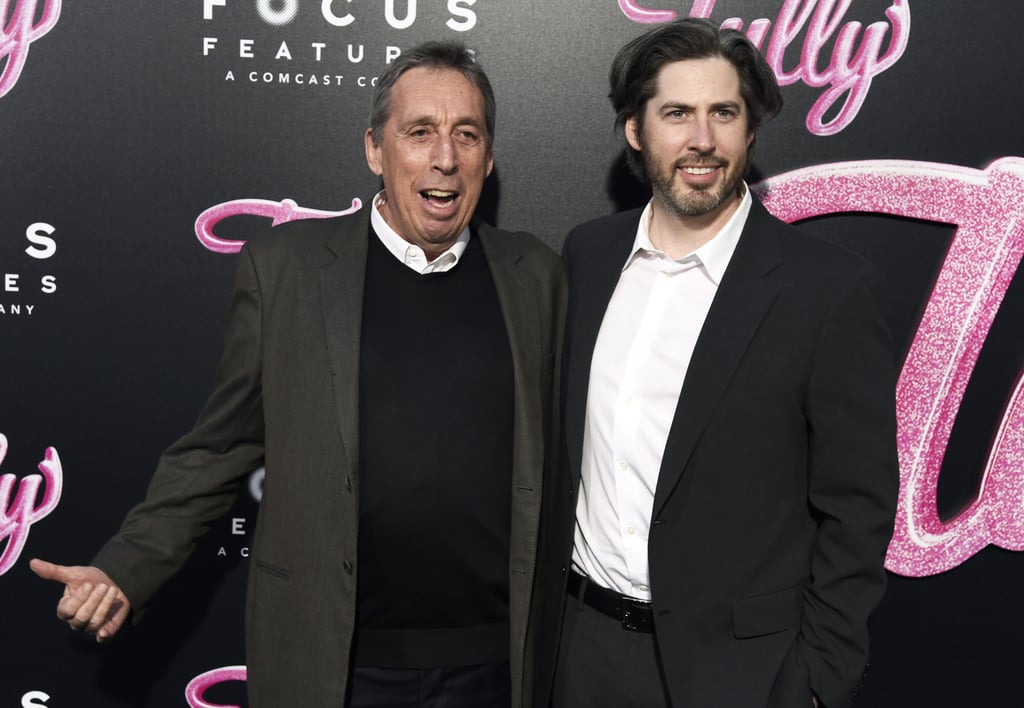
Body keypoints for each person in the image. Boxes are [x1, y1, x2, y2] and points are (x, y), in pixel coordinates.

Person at [31, 40, 566, 708]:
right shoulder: (285, 271)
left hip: (497, 668)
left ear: (487, 157)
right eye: (419, 132)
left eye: (467, 134)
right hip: (332, 666)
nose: (445, 158)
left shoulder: (536, 277)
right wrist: (125, 569)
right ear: (374, 149)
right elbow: (219, 449)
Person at [535, 18, 898, 708]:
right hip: (579, 650)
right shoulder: (588, 254)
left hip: (739, 674)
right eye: (677, 113)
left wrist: (817, 680)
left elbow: (858, 508)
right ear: (636, 129)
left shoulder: (825, 288)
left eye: (724, 113)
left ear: (750, 130)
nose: (702, 139)